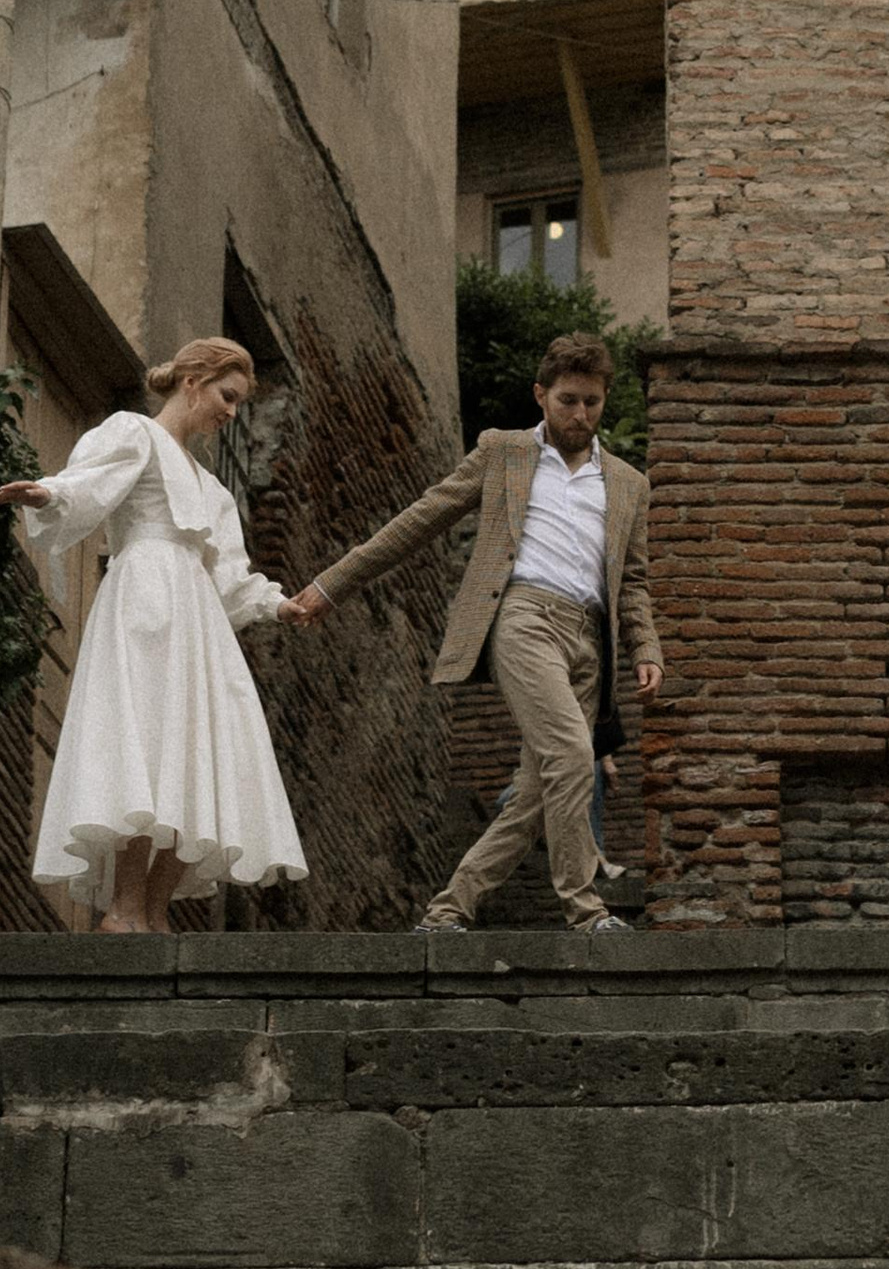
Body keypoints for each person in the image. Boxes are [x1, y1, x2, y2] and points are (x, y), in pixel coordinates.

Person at [281, 331, 659, 935]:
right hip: (524, 618)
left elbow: (632, 580)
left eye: (592, 402)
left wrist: (646, 648)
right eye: (567, 400)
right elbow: (421, 518)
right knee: (572, 755)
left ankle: (447, 911)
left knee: (535, 797)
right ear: (540, 395)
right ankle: (587, 912)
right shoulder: (502, 452)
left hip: (591, 641)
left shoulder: (628, 483)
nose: (580, 414)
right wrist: (331, 585)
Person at [0, 337, 305, 935]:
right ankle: (124, 908)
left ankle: (155, 912)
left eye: (238, 402)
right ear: (193, 381)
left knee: (194, 754)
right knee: (144, 743)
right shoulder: (135, 433)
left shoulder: (214, 491)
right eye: (227, 396)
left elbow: (231, 579)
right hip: (144, 601)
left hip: (197, 618)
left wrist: (277, 605)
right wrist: (50, 492)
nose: (231, 412)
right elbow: (89, 484)